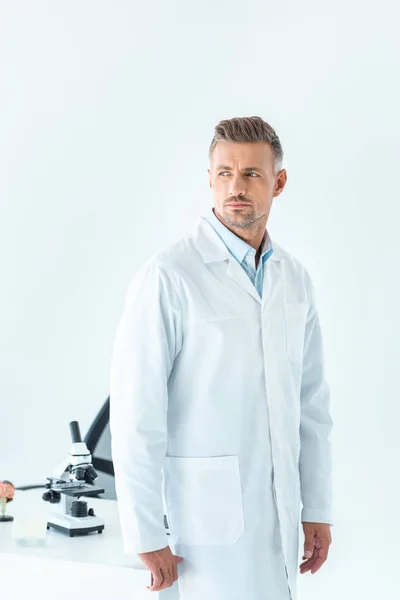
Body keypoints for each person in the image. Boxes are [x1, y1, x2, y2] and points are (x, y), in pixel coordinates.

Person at [109, 115, 333, 600]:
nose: (237, 186)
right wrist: (145, 534)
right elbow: (135, 414)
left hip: (280, 522)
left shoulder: (294, 280)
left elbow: (311, 407)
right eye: (225, 172)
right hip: (202, 531)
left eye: (252, 173)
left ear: (279, 182)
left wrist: (316, 506)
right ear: (209, 178)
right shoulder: (169, 277)